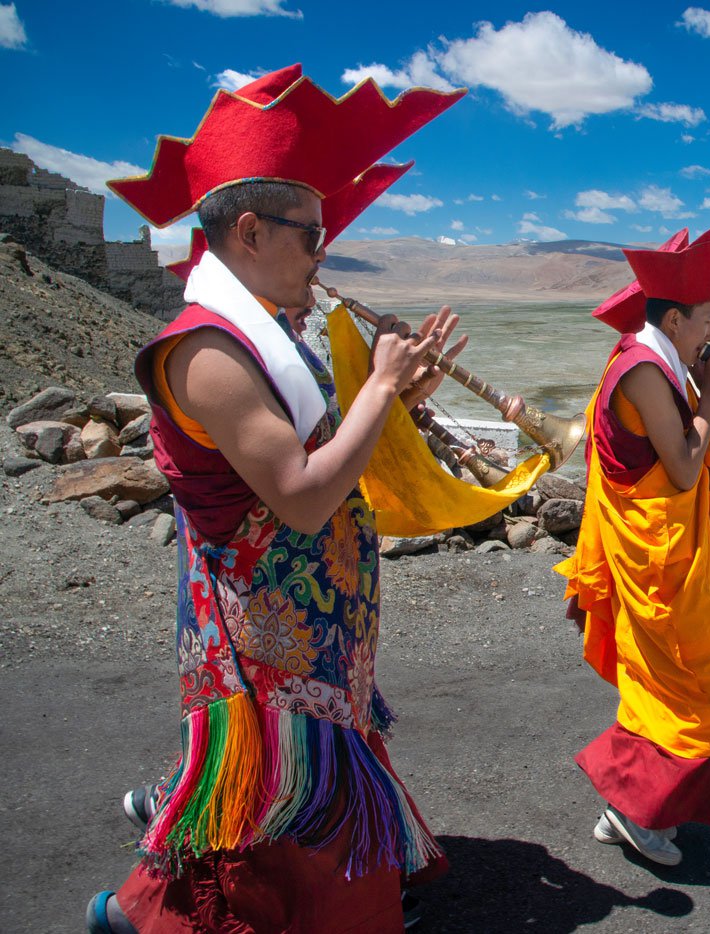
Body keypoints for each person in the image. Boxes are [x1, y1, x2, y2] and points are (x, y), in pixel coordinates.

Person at [87, 65, 466, 932]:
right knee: (279, 820)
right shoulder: (206, 353)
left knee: (267, 827)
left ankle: (134, 915)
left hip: (312, 638)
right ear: (250, 231)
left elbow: (316, 449)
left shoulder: (269, 337)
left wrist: (396, 398)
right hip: (264, 649)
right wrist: (375, 389)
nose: (323, 256)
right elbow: (297, 496)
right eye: (312, 236)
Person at [555, 212, 710, 867]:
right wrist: (708, 397)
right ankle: (635, 811)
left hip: (667, 555)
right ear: (674, 321)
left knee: (665, 688)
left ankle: (629, 802)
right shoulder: (645, 370)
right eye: (706, 320)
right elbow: (678, 469)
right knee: (703, 689)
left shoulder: (658, 360)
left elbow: (683, 461)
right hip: (661, 566)